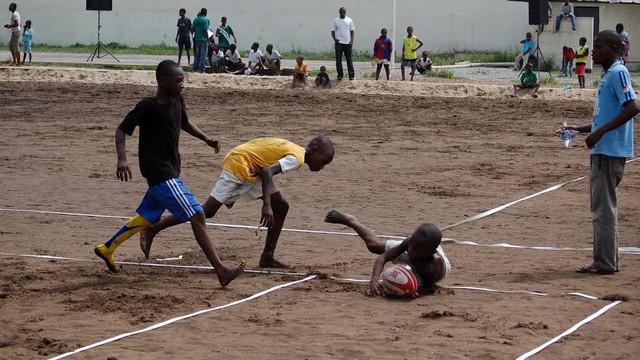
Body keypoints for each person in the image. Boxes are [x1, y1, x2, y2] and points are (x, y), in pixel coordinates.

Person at [93, 60, 245, 286]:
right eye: (178, 80)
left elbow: (185, 123)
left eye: (182, 80)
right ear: (162, 81)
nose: (182, 84)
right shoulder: (148, 106)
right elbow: (122, 130)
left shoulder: (177, 100)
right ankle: (221, 271)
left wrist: (205, 139)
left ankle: (107, 248)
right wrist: (122, 159)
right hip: (160, 173)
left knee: (148, 216)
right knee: (197, 215)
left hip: (171, 169)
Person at [140, 136, 335, 269]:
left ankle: (267, 257)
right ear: (314, 150)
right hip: (240, 164)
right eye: (323, 161)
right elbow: (268, 172)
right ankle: (153, 229)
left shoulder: (296, 150)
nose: (322, 166)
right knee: (206, 211)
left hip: (252, 167)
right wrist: (266, 204)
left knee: (281, 206)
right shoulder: (298, 158)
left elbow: (264, 165)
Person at [561, 30, 639, 275]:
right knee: (602, 207)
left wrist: (599, 134)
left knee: (603, 209)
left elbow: (633, 107)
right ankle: (605, 260)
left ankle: (604, 262)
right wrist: (583, 129)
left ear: (614, 49)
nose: (593, 52)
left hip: (608, 151)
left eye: (599, 47)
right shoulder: (609, 75)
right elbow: (608, 114)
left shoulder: (618, 72)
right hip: (603, 148)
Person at [325, 210, 451, 296]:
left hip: (426, 270)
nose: (410, 250)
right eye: (410, 245)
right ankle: (352, 221)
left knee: (415, 275)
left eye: (416, 249)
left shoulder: (434, 264)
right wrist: (374, 281)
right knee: (374, 245)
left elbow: (429, 288)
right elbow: (383, 258)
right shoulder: (411, 244)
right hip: (418, 258)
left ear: (430, 252)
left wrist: (409, 291)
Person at [331, 7, 355, 81]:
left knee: (349, 60)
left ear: (345, 12)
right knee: (338, 60)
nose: (342, 13)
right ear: (339, 12)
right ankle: (340, 75)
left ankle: (351, 75)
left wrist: (351, 41)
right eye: (341, 12)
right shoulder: (335, 20)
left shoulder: (349, 20)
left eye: (343, 12)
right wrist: (335, 39)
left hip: (348, 43)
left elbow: (352, 31)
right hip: (339, 43)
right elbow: (332, 31)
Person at [191, 8, 209, 73]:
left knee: (198, 54)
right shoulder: (205, 20)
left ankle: (194, 68)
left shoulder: (195, 19)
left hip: (197, 39)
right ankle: (201, 69)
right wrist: (208, 39)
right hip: (204, 39)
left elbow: (192, 30)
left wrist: (194, 36)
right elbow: (205, 30)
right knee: (203, 55)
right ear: (206, 13)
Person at [4, 2, 21, 67]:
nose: (9, 7)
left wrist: (9, 26)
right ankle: (15, 61)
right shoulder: (16, 14)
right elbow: (20, 23)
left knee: (15, 47)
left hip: (16, 32)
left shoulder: (15, 14)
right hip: (15, 31)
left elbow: (17, 24)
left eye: (10, 6)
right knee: (12, 47)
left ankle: (18, 62)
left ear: (13, 7)